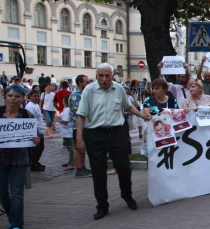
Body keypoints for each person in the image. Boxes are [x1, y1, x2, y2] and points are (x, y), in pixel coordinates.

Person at [76, 63, 151, 220]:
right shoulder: (89, 91)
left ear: (112, 76)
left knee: (124, 167)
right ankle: (102, 205)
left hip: (117, 133)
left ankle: (127, 195)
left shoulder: (118, 88)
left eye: (107, 76)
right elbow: (81, 115)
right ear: (96, 76)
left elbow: (128, 106)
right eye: (101, 76)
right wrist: (79, 138)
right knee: (98, 171)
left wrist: (141, 115)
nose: (104, 79)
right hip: (95, 134)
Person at [0, 85, 40, 229]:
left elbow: (36, 135)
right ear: (5, 96)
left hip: (19, 159)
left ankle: (16, 224)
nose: (13, 98)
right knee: (1, 192)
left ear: (22, 99)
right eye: (10, 95)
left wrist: (36, 140)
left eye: (17, 96)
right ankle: (11, 215)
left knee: (17, 193)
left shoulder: (27, 115)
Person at [68, 75, 91, 177]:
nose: (88, 84)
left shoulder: (85, 93)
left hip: (86, 125)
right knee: (78, 147)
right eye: (86, 82)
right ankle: (79, 168)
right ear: (80, 83)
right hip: (77, 125)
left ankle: (83, 167)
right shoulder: (75, 95)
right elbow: (78, 111)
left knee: (83, 148)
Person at [25, 89, 46, 171]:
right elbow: (31, 120)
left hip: (40, 128)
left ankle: (35, 161)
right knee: (35, 149)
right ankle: (33, 163)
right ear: (30, 97)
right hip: (35, 130)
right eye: (34, 96)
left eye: (38, 96)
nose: (37, 98)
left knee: (40, 148)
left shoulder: (36, 105)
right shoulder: (30, 106)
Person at [53, 96, 76, 171]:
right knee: (70, 147)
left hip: (67, 132)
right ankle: (70, 161)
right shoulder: (68, 109)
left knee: (71, 148)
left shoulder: (67, 110)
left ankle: (72, 163)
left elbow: (65, 121)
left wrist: (58, 119)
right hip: (68, 131)